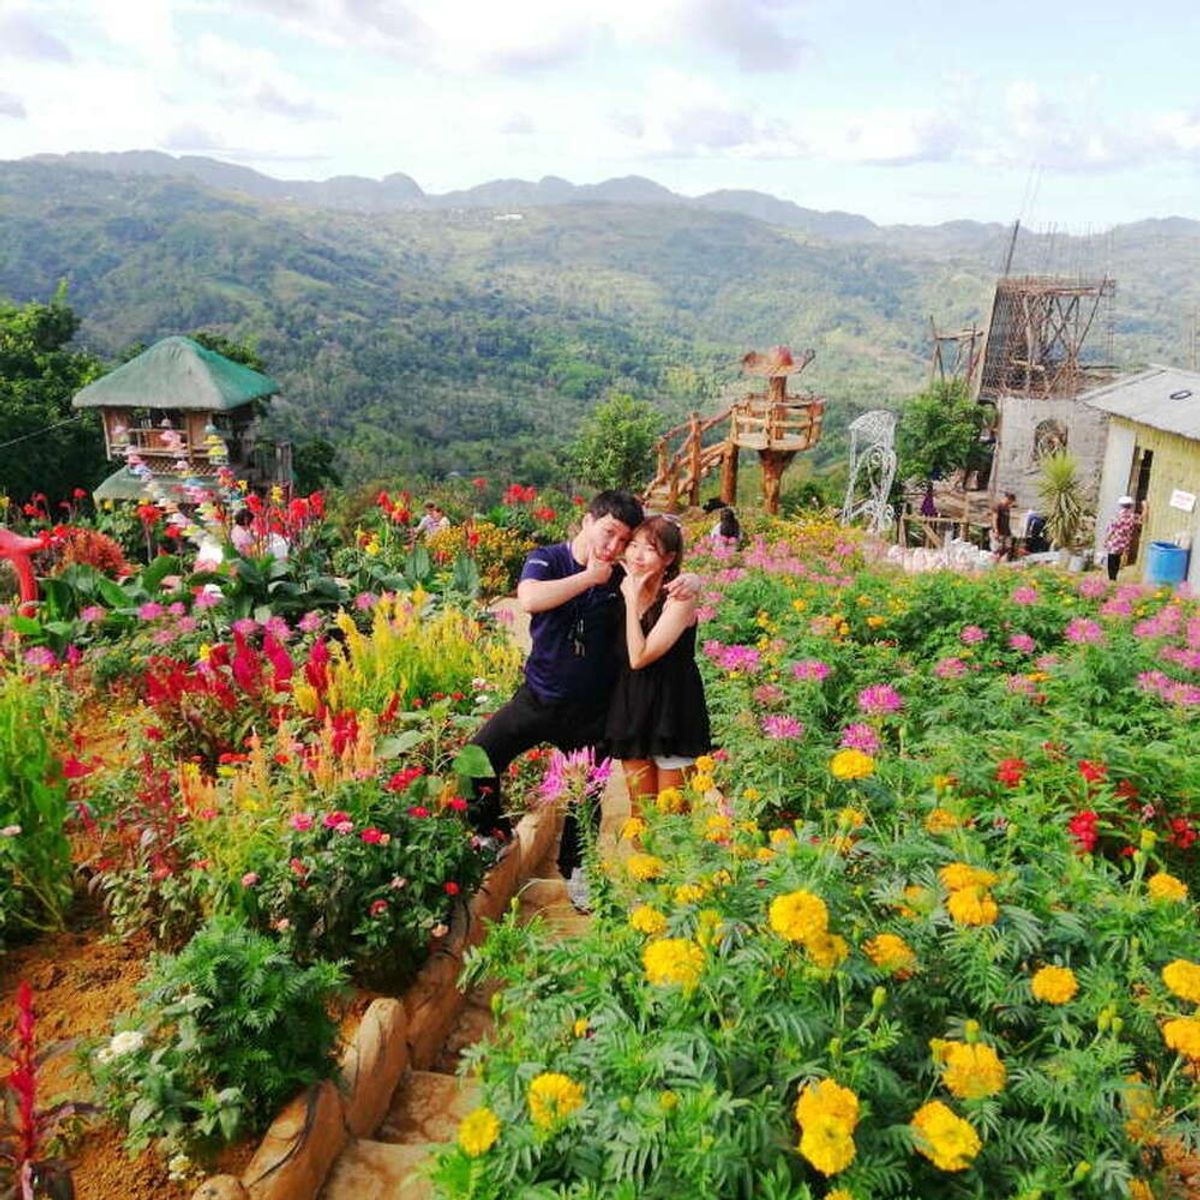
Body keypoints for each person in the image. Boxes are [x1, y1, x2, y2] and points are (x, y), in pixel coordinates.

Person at [465, 490, 644, 907]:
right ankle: (493, 834)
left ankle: (578, 871)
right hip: (538, 697)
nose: (614, 547)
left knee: (588, 798)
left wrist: (686, 580)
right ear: (587, 522)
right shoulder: (547, 558)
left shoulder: (622, 577)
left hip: (591, 711)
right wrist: (587, 578)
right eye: (609, 533)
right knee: (476, 757)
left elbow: (660, 568)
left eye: (623, 540)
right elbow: (529, 598)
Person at [607, 516, 711, 818]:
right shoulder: (620, 580)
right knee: (641, 816)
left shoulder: (679, 597)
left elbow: (639, 657)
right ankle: (641, 866)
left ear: (668, 558)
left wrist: (632, 601)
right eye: (633, 545)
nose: (637, 555)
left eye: (649, 549)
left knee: (672, 821)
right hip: (633, 709)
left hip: (672, 711)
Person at [1103, 495, 1144, 581]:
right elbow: (1141, 520)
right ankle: (1115, 576)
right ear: (1130, 505)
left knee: (1111, 560)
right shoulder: (1132, 516)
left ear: (1121, 505)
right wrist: (1145, 507)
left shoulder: (1117, 516)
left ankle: (1112, 577)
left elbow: (1111, 530)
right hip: (1123, 542)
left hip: (1114, 542)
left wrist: (1106, 540)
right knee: (1117, 559)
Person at [991, 492, 1016, 561]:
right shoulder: (998, 506)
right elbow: (994, 519)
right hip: (999, 532)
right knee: (997, 549)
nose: (1011, 503)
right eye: (1011, 501)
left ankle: (1002, 564)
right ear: (1008, 499)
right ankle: (994, 563)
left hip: (1006, 532)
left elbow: (1007, 521)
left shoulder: (1007, 508)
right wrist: (996, 530)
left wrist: (1009, 532)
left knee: (1007, 548)